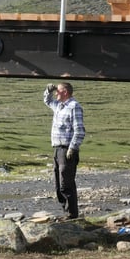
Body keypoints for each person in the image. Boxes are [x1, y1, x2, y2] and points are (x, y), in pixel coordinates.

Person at [42, 82, 86, 219]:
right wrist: (48, 90)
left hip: (67, 149)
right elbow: (47, 101)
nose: (56, 93)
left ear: (65, 92)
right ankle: (65, 212)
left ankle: (72, 214)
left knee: (65, 184)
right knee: (58, 184)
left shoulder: (74, 107)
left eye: (58, 91)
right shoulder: (59, 106)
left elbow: (79, 131)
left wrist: (72, 148)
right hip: (57, 148)